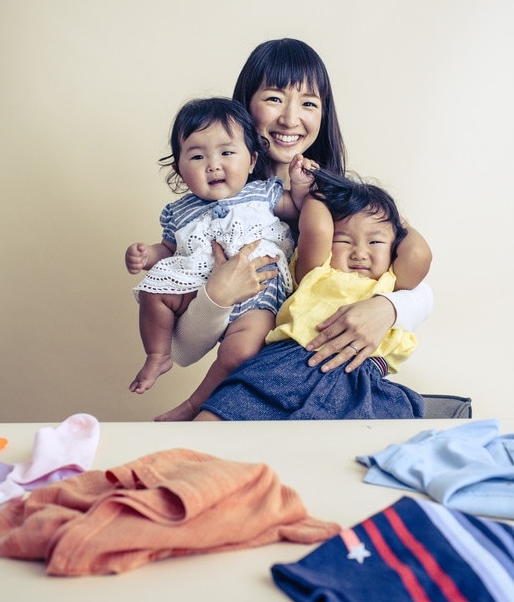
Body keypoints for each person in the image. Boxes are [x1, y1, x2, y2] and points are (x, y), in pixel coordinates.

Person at [155, 38, 433, 421]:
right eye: (273, 98)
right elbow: (184, 350)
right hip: (261, 377)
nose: (289, 118)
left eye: (308, 103)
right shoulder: (209, 208)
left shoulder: (347, 199)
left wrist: (387, 308)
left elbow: (416, 283)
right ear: (244, 106)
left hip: (339, 371)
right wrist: (217, 296)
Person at [125, 97, 316, 401]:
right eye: (198, 157)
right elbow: (168, 248)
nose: (213, 165)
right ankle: (157, 354)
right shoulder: (179, 211)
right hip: (200, 285)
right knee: (153, 292)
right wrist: (147, 255)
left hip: (259, 289)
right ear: (179, 168)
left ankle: (197, 402)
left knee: (240, 349)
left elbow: (300, 208)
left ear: (252, 160)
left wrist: (301, 185)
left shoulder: (262, 193)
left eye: (227, 153)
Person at [195, 170, 425, 421]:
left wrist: (401, 224)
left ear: (394, 249)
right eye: (344, 241)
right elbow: (316, 229)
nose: (359, 253)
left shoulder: (391, 284)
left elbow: (418, 255)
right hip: (287, 367)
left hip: (360, 385)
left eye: (375, 242)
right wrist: (315, 193)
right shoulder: (318, 272)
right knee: (217, 419)